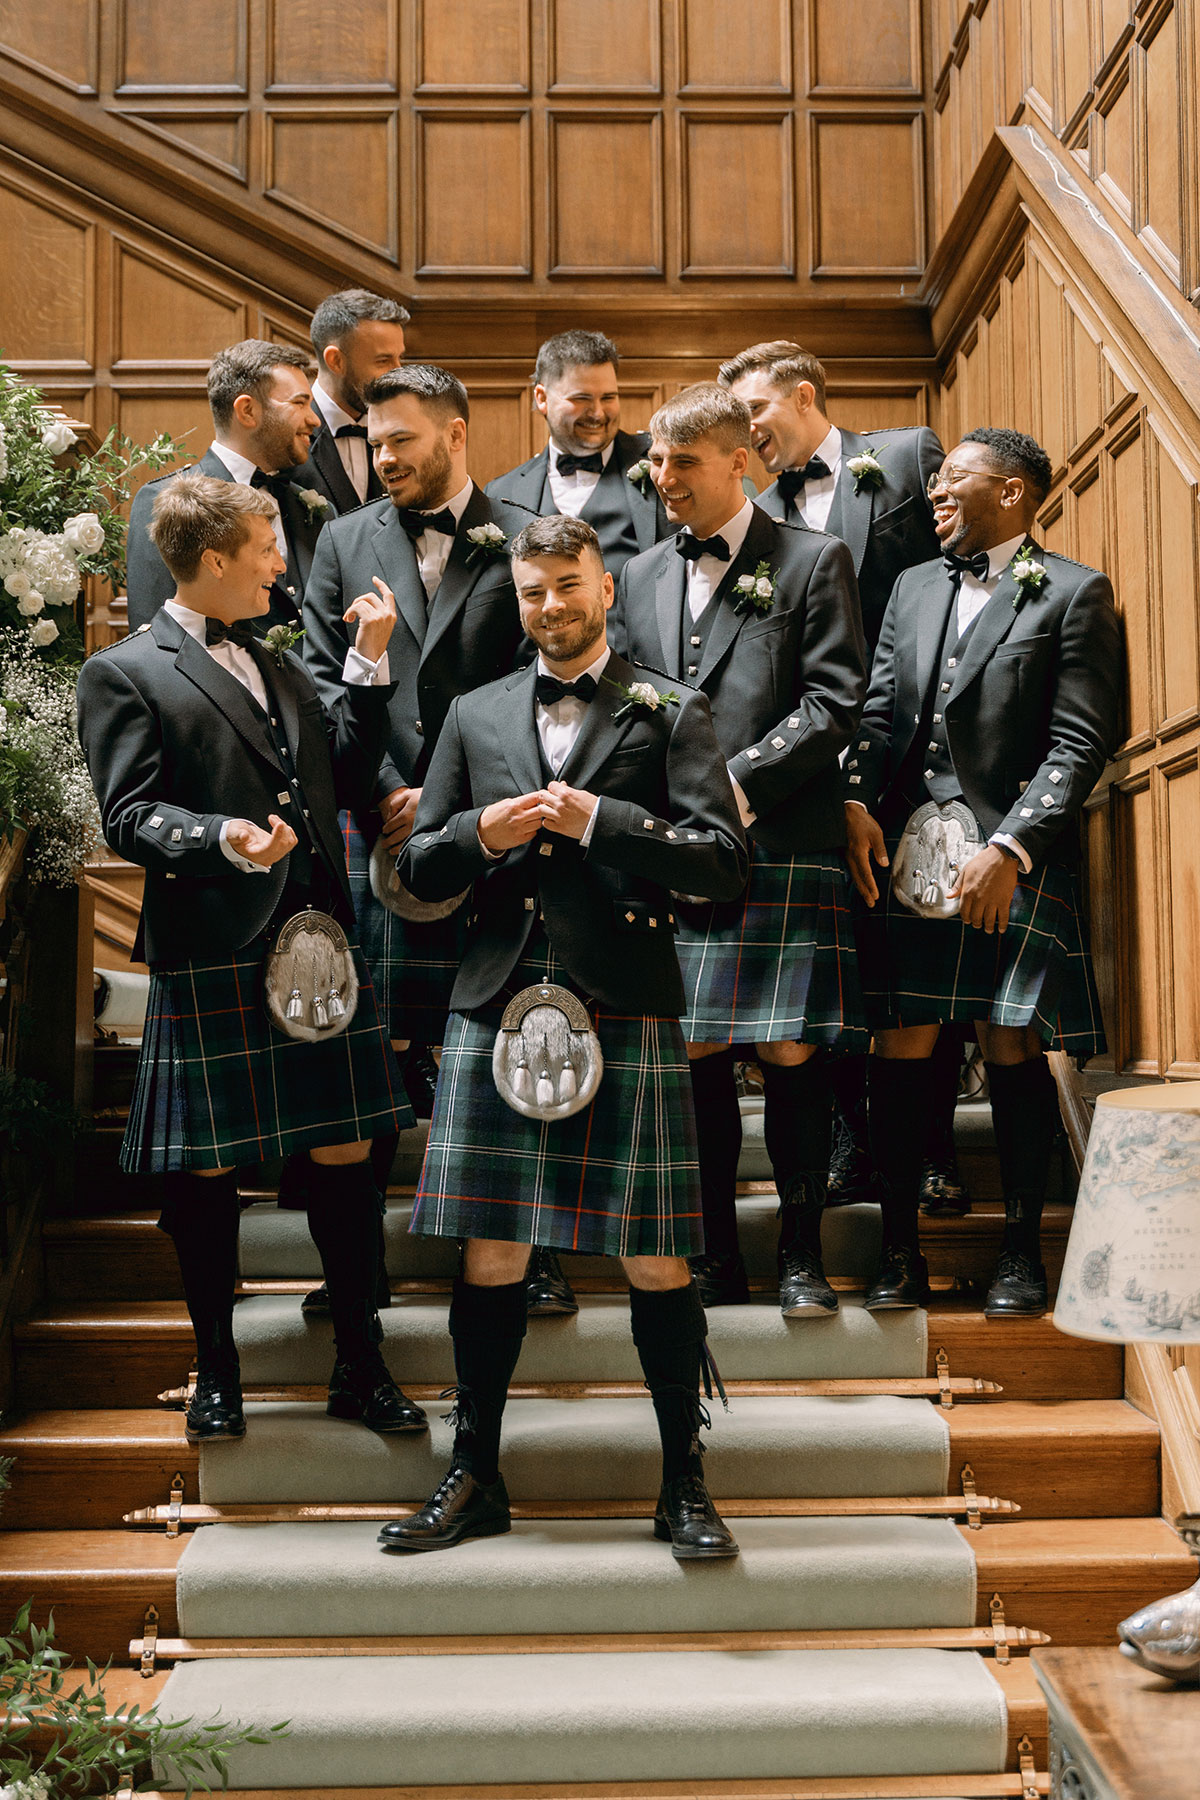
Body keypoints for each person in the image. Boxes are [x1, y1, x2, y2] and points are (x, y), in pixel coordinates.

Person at [377, 514, 748, 1558]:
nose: (552, 605)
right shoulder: (473, 711)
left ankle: (685, 1482)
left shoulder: (671, 709)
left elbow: (723, 865)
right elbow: (421, 872)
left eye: (569, 585)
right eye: (535, 590)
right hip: (497, 997)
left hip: (623, 995)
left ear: (606, 587)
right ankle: (474, 1474)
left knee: (655, 1256)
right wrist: (473, 835)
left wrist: (603, 822)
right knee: (492, 1251)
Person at [76, 474, 427, 1442]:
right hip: (215, 942)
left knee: (348, 1151)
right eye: (269, 548)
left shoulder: (277, 666)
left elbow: (343, 774)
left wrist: (366, 667)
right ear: (217, 558)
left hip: (316, 935)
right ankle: (216, 1371)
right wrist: (226, 839)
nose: (285, 565)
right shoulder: (125, 672)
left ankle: (359, 1360)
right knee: (206, 1172)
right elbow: (130, 816)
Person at [844, 428, 1123, 1317]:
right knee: (902, 1041)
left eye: (953, 480)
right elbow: (882, 712)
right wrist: (852, 806)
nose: (935, 492)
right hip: (904, 857)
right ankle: (897, 1250)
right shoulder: (913, 587)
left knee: (1009, 1041)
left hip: (1011, 853)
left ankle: (1020, 1253)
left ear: (1011, 492)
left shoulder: (1074, 592)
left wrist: (1012, 849)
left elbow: (1081, 742)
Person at [611, 384, 867, 1315]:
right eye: (656, 461)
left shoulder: (811, 559)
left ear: (737, 461)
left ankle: (802, 1256)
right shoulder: (635, 575)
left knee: (793, 1052)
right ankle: (719, 1254)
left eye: (682, 461)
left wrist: (735, 785)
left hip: (781, 840)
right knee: (696, 1053)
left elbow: (833, 701)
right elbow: (626, 702)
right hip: (676, 851)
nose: (662, 477)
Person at [301, 365, 540, 1305]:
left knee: (502, 1034)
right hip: (380, 823)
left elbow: (541, 684)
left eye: (402, 438)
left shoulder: (522, 535)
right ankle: (361, 1269)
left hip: (493, 830)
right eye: (374, 441)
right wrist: (391, 785)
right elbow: (326, 678)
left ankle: (533, 1251)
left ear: (456, 433)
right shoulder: (343, 538)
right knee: (378, 1047)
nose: (384, 457)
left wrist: (451, 795)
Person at [719, 339, 960, 1216]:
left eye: (757, 411)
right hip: (807, 772)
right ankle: (854, 1142)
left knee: (913, 972)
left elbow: (947, 588)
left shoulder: (901, 457)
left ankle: (933, 1150)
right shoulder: (748, 512)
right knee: (843, 971)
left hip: (906, 760)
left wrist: (879, 782)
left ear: (806, 394)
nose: (748, 433)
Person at [126, 341, 330, 632]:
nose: (314, 419)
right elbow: (155, 636)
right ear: (247, 411)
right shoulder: (166, 501)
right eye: (299, 403)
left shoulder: (311, 506)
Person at [486, 329, 668, 579]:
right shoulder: (501, 494)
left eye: (608, 397)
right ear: (542, 398)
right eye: (581, 398)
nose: (597, 413)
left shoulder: (663, 465)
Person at [300, 289, 410, 512]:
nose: (398, 373)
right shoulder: (288, 436)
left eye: (400, 358)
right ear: (336, 361)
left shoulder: (406, 430)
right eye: (383, 361)